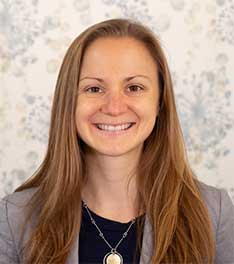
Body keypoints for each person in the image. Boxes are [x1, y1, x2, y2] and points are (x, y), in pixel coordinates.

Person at [0, 18, 233, 264]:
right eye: (94, 89)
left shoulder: (213, 214)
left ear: (160, 103)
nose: (114, 107)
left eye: (134, 87)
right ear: (69, 102)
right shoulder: (14, 218)